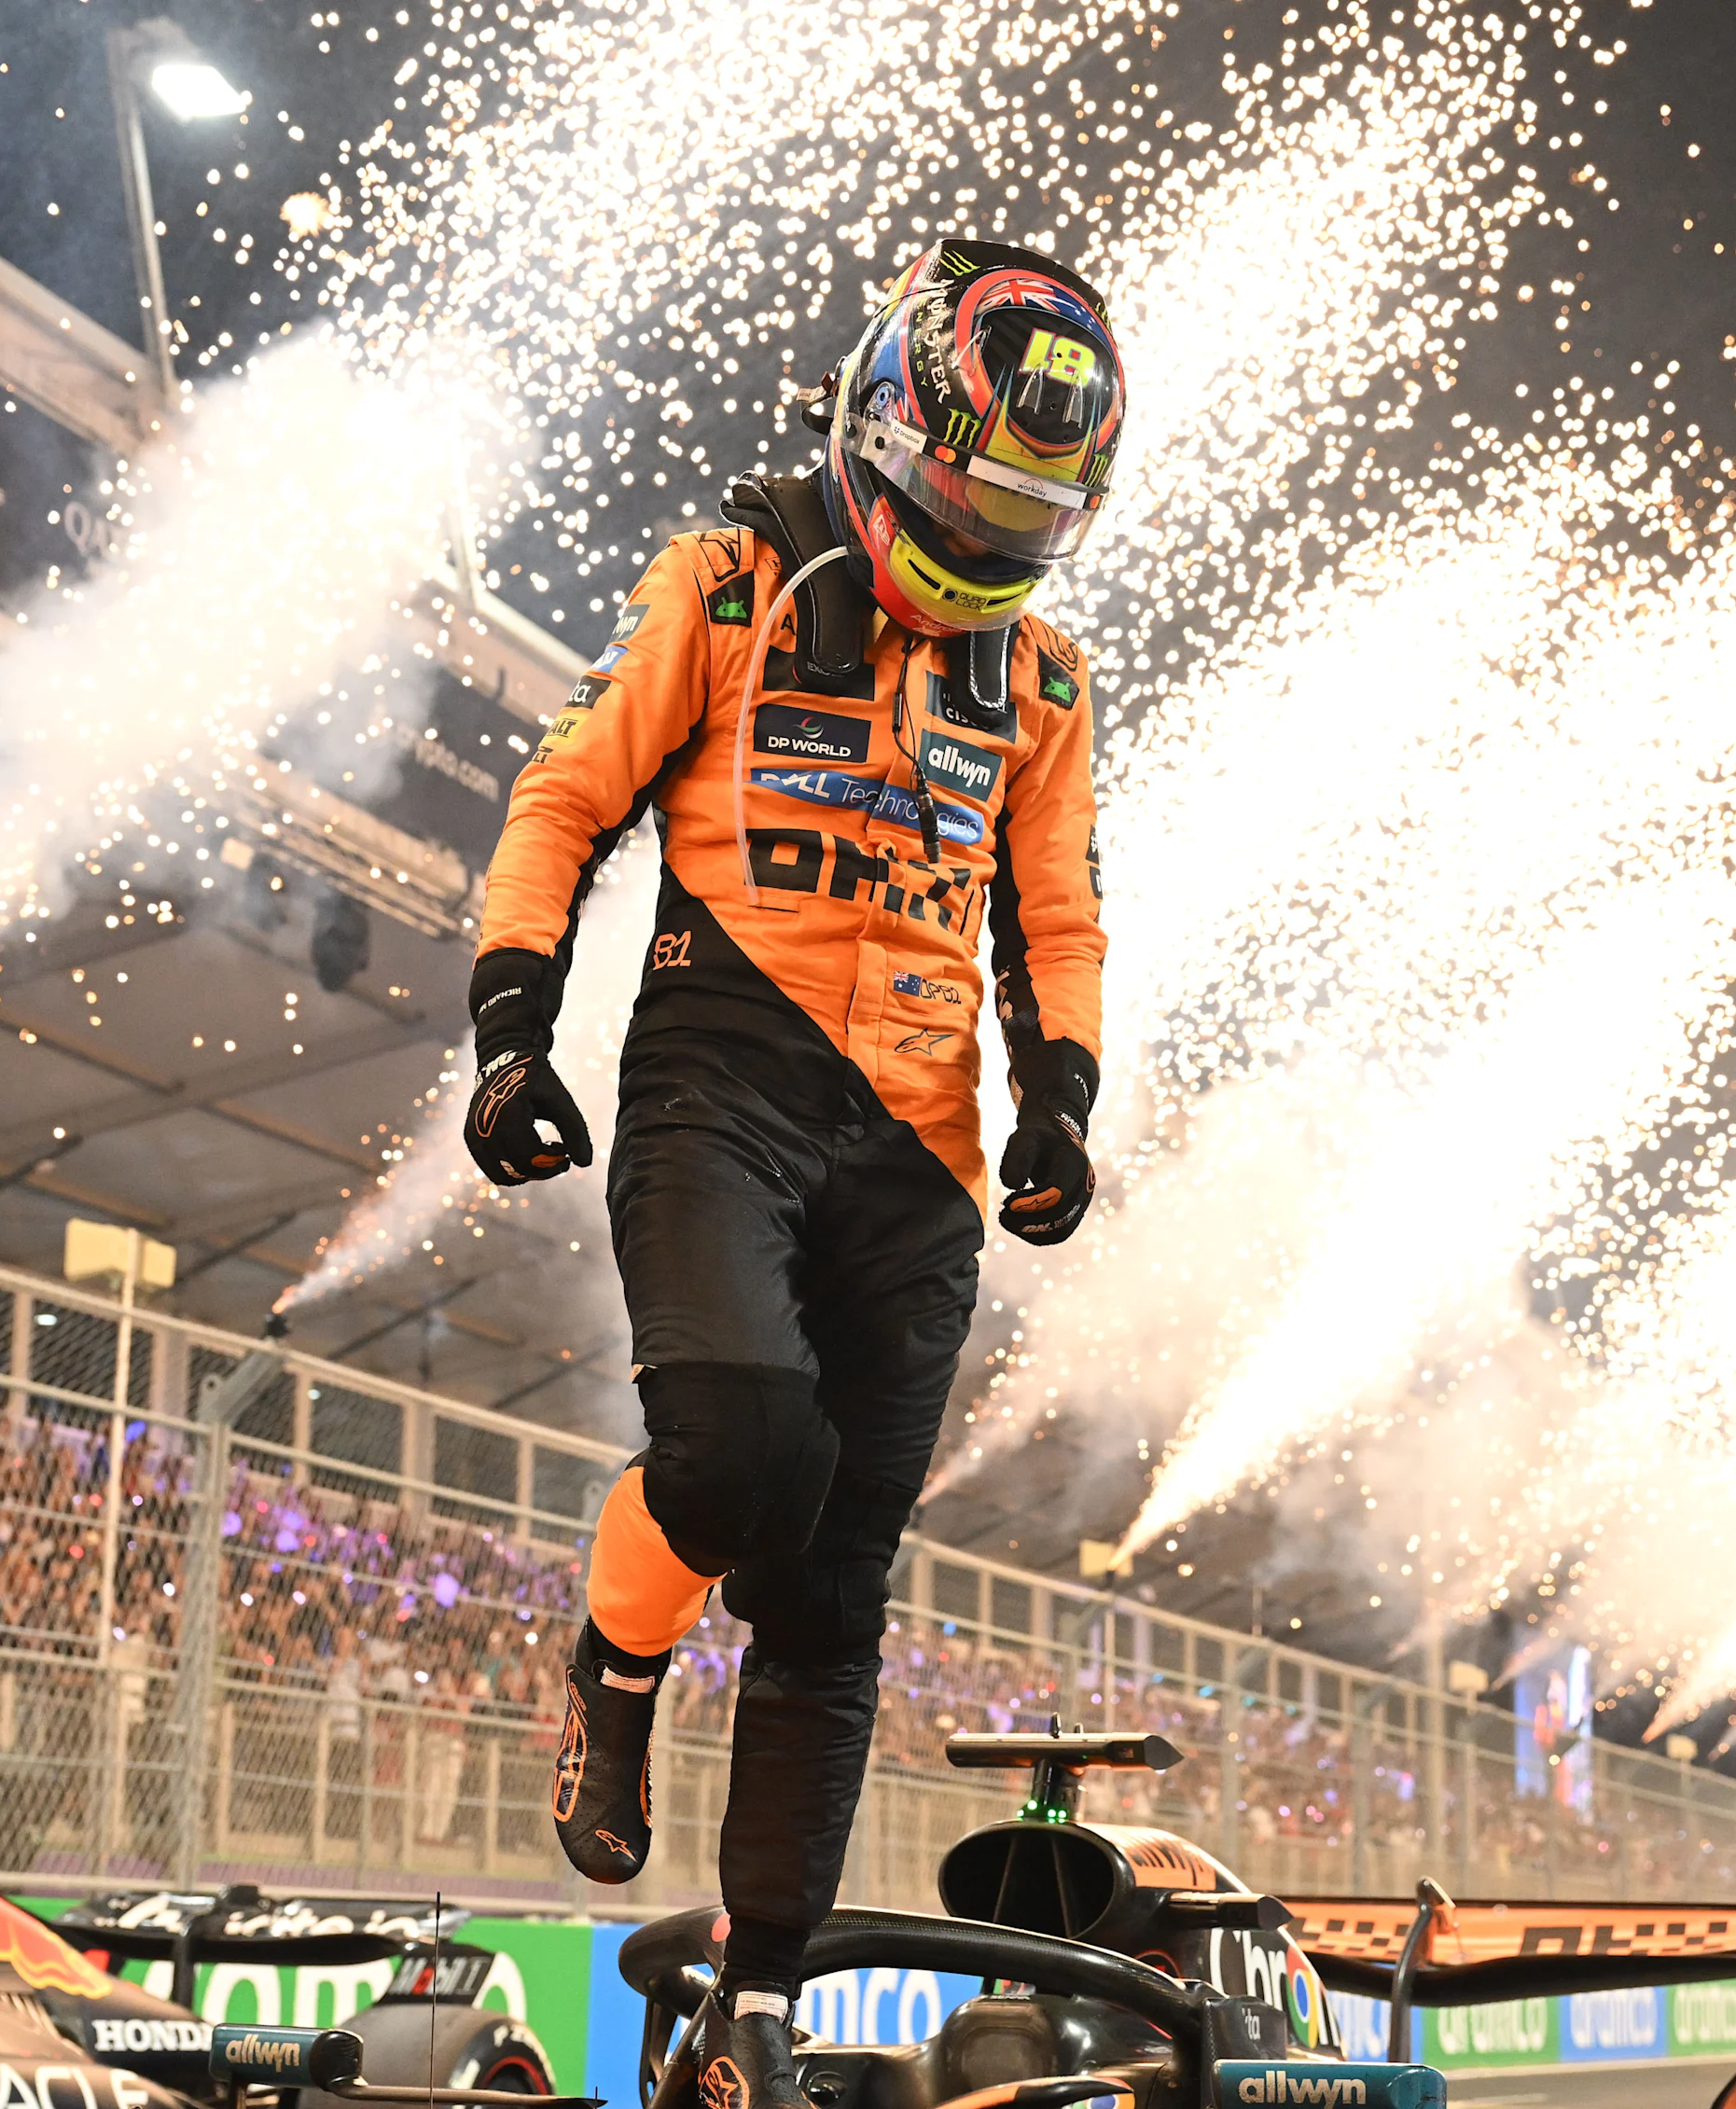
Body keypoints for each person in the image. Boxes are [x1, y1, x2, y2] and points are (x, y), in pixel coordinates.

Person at [464, 238, 1124, 2107]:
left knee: (838, 1595)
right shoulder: (730, 569)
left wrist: (1058, 1098)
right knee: (748, 1450)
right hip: (718, 1085)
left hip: (916, 1163)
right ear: (904, 412)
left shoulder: (1052, 679)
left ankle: (757, 2001)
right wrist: (512, 1027)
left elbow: (1055, 906)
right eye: (979, 489)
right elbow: (568, 793)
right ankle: (608, 1660)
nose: (995, 538)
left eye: (1033, 510)